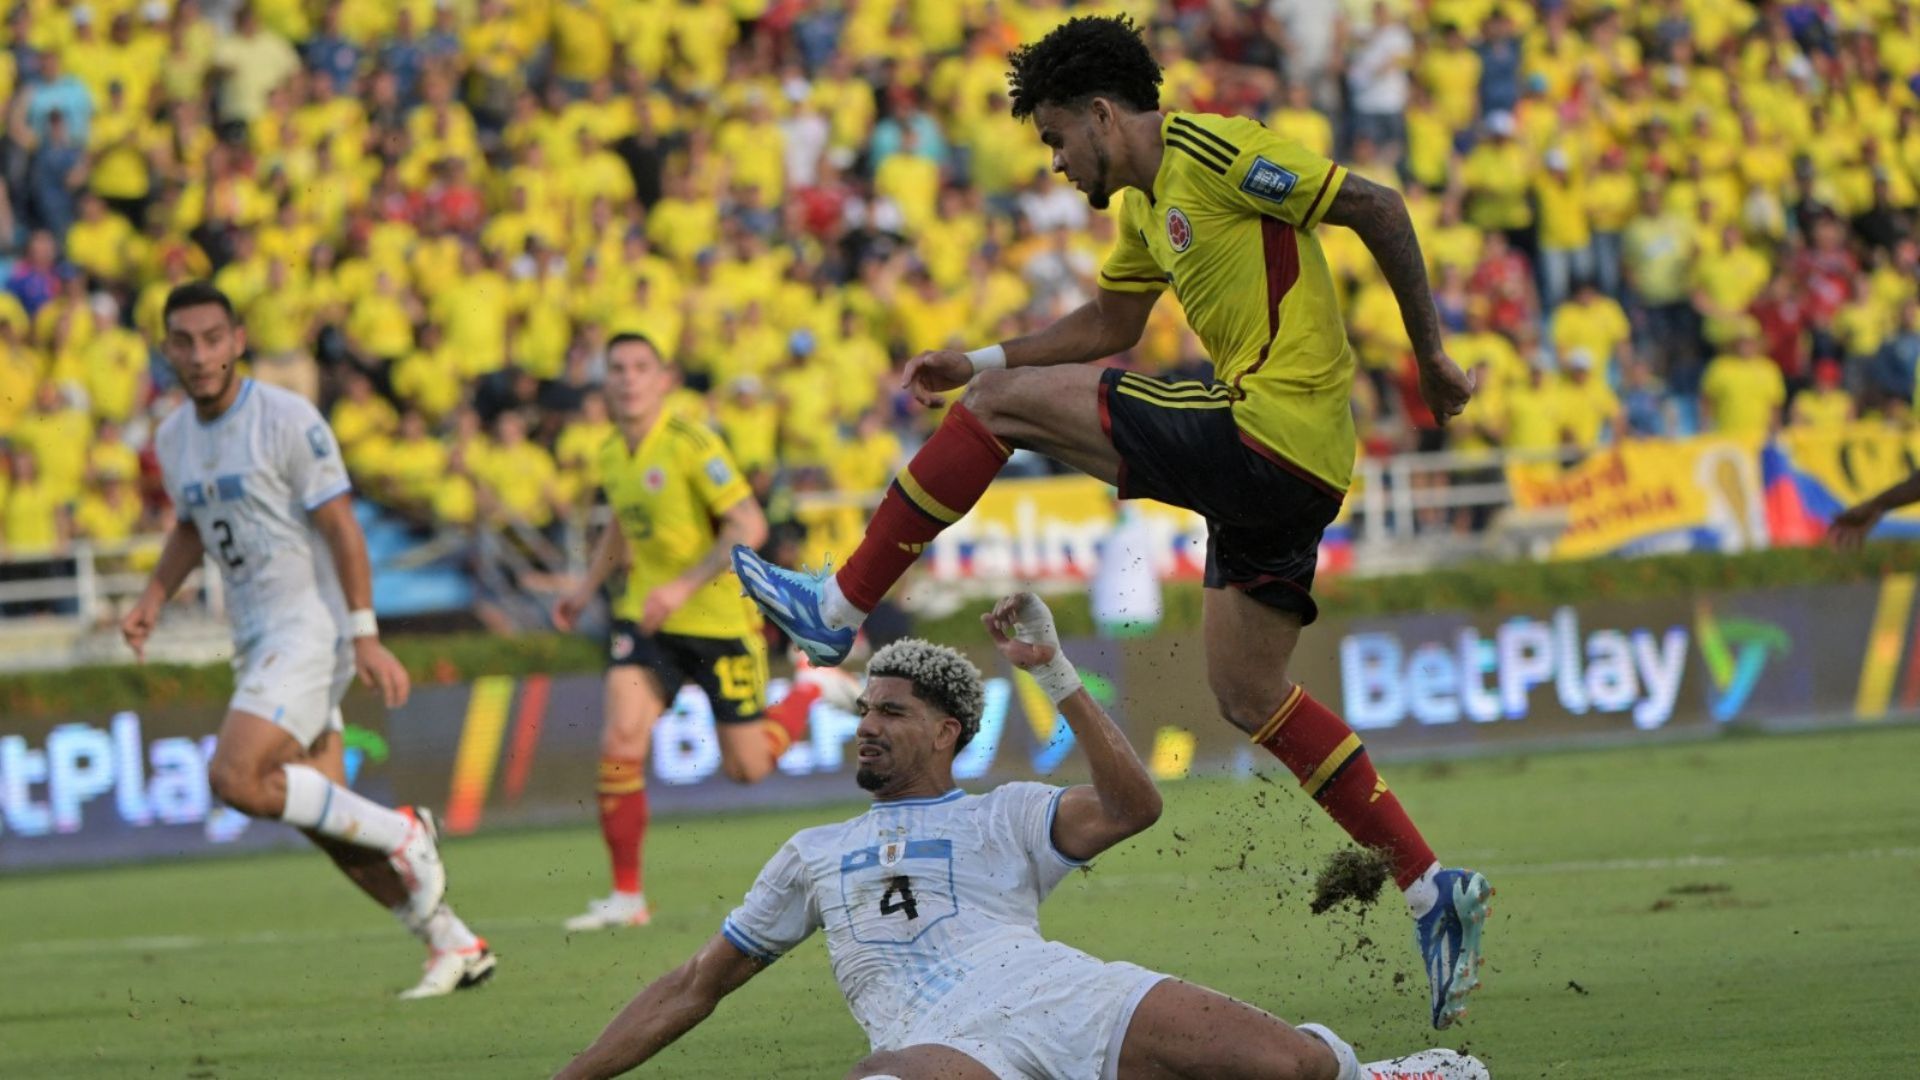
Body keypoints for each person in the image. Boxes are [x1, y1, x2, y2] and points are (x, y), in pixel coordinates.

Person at [730, 14, 1488, 1029]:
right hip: (1292, 473)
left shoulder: (1216, 150)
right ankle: (1434, 888)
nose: (1055, 162)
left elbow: (1378, 205)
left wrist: (1432, 356)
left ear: (1100, 114)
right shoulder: (1142, 211)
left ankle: (836, 603)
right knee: (1245, 690)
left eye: (1055, 138)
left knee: (995, 424)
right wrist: (986, 361)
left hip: (1272, 429)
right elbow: (1110, 326)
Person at [554, 593, 1490, 1080]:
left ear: (946, 732)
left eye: (890, 710)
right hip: (943, 1040)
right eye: (863, 710)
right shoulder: (811, 854)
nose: (865, 725)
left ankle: (1380, 1071)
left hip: (1071, 996)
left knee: (1286, 1068)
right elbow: (691, 988)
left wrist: (1057, 674)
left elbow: (1133, 808)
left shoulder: (1005, 812)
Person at [120, 281, 494, 999]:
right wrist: (152, 596)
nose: (199, 356)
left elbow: (343, 527)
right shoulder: (172, 438)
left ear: (236, 341)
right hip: (255, 635)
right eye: (184, 342)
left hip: (310, 627)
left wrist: (365, 636)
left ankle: (405, 830)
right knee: (328, 822)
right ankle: (452, 941)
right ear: (167, 349)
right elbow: (195, 525)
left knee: (235, 778)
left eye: (212, 339)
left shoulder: (287, 419)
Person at [550, 333, 802, 931]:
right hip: (648, 621)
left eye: (642, 368)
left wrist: (682, 586)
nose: (629, 379)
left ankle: (816, 692)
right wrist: (587, 588)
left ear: (663, 379)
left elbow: (750, 524)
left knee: (748, 770)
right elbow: (621, 526)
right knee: (621, 741)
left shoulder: (691, 442)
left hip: (717, 621)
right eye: (617, 369)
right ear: (605, 381)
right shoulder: (611, 450)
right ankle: (627, 896)